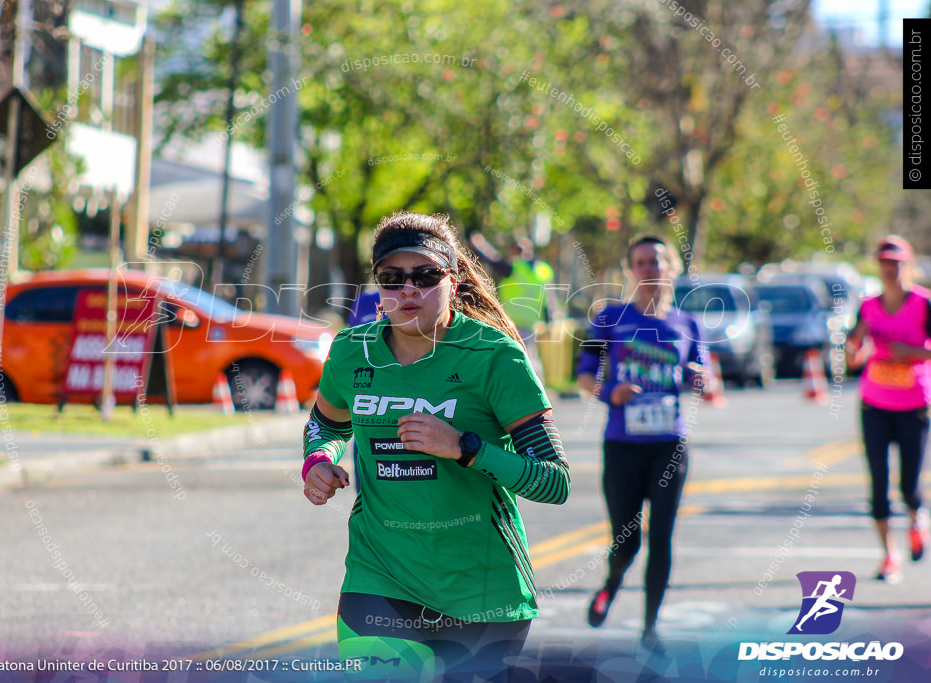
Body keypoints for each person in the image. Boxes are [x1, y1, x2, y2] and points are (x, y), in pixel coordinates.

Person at [301, 211, 570, 682]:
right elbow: (324, 424)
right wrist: (319, 460)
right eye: (392, 278)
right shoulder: (350, 350)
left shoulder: (495, 356)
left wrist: (466, 448)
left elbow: (554, 482)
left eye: (425, 276)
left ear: (454, 280)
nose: (408, 291)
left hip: (482, 591)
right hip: (380, 575)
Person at [575, 235, 710, 652]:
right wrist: (608, 390)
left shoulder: (689, 325)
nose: (650, 269)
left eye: (657, 261)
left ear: (670, 268)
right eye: (641, 262)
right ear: (630, 270)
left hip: (669, 444)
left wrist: (699, 378)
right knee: (626, 540)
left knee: (663, 537)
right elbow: (584, 375)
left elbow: (705, 375)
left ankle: (651, 627)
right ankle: (611, 584)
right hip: (622, 444)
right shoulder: (609, 318)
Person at [845, 235, 931, 584]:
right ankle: (888, 556)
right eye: (883, 262)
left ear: (906, 265)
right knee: (877, 484)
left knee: (908, 485)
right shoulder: (867, 307)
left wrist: (909, 352)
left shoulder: (924, 303)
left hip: (914, 406)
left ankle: (916, 520)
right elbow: (852, 358)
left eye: (895, 262)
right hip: (874, 405)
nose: (889, 269)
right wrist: (854, 347)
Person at [469, 233, 556, 378]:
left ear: (515, 251)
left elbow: (492, 259)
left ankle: (527, 386)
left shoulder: (515, 267)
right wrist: (549, 320)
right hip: (531, 321)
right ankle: (538, 385)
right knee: (528, 354)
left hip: (512, 320)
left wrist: (479, 244)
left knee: (516, 355)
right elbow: (549, 298)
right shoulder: (543, 270)